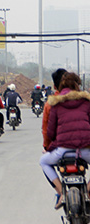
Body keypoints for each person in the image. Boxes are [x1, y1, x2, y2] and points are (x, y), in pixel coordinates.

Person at [39, 72, 90, 209]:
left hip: (63, 150)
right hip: (85, 149)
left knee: (43, 161)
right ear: (78, 86)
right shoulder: (86, 102)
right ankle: (89, 191)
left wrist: (52, 145)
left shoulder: (56, 104)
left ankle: (62, 193)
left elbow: (50, 132)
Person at [42, 68, 68, 151]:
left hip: (59, 146)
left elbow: (46, 129)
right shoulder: (82, 100)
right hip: (81, 147)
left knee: (43, 161)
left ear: (54, 86)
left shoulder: (50, 103)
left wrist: (46, 146)